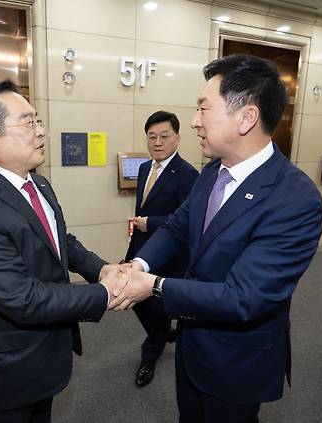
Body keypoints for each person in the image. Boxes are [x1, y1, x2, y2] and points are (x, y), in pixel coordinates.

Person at [109, 54, 322, 423]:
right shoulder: (211, 173)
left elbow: (245, 299)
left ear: (246, 117)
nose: (194, 121)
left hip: (237, 360)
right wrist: (137, 265)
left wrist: (155, 286)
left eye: (203, 108)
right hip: (193, 344)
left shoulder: (296, 199)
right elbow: (178, 226)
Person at [0, 80, 123, 423]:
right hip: (1, 374)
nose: (41, 132)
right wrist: (104, 294)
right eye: (28, 123)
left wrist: (101, 269)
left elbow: (60, 242)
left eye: (39, 121)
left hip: (45, 358)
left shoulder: (38, 183)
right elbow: (22, 298)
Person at [125, 110, 198, 387]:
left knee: (155, 307)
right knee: (137, 302)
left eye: (164, 136)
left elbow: (187, 219)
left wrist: (149, 223)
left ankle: (150, 355)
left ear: (177, 139)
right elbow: (142, 209)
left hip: (169, 254)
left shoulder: (188, 174)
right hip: (141, 249)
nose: (157, 142)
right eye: (152, 137)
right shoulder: (145, 168)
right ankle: (164, 331)